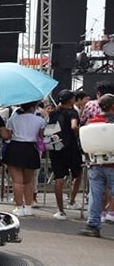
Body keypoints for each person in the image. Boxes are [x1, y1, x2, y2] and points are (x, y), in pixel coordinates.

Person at [78, 94, 114, 238]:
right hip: (112, 164)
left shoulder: (92, 122)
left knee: (95, 195)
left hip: (95, 163)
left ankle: (92, 225)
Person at [2, 101, 46, 217]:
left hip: (15, 147)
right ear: (33, 107)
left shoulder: (13, 120)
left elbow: (8, 135)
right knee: (28, 181)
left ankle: (19, 207)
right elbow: (41, 136)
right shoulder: (40, 120)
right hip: (31, 149)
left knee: (17, 181)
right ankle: (28, 207)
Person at [47, 90, 81, 220]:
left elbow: (49, 130)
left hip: (56, 148)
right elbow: (73, 126)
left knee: (58, 178)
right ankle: (71, 200)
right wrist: (79, 131)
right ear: (71, 100)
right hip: (71, 148)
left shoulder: (53, 113)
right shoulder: (73, 112)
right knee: (78, 173)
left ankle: (60, 211)